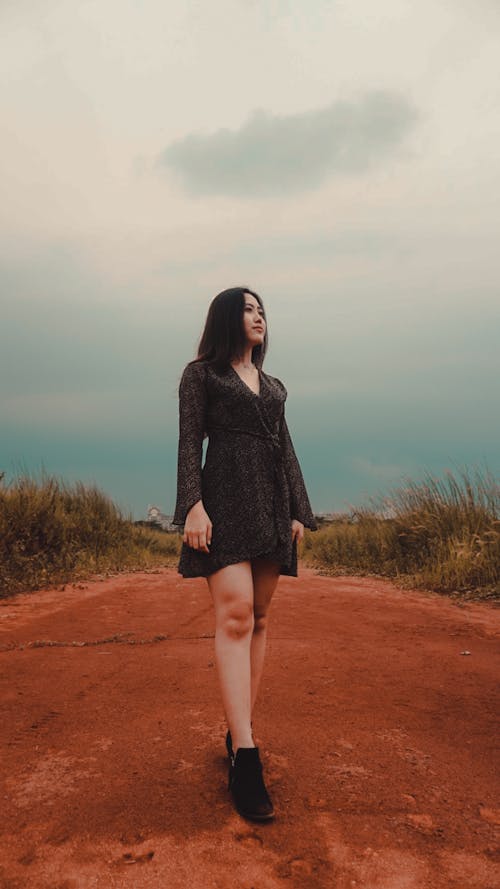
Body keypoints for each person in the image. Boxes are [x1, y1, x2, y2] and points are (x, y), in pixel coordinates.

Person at [173, 286, 317, 821]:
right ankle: (248, 759)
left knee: (258, 618)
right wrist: (191, 504)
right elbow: (190, 441)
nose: (258, 316)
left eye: (262, 310)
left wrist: (299, 510)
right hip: (225, 501)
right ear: (227, 320)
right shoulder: (201, 375)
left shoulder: (274, 386)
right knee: (233, 616)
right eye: (248, 309)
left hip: (273, 505)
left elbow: (287, 445)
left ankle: (239, 734)